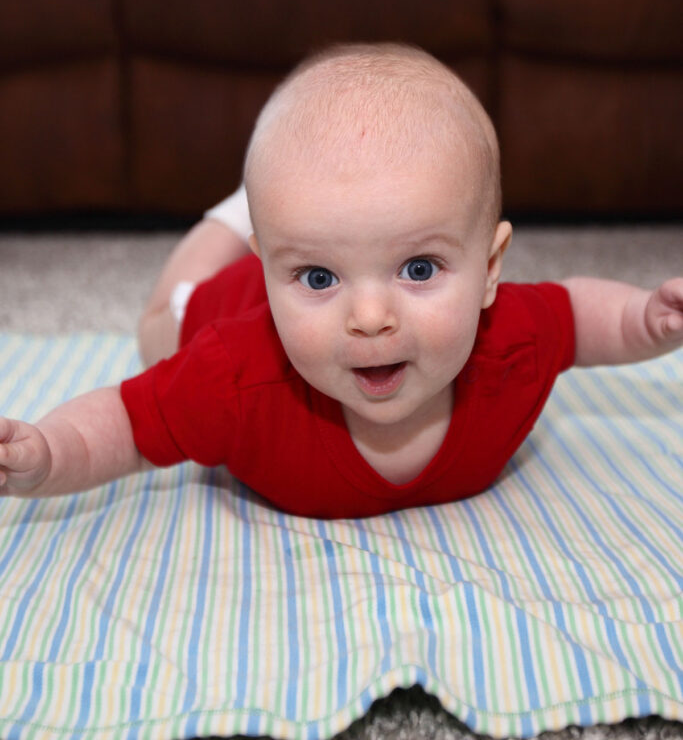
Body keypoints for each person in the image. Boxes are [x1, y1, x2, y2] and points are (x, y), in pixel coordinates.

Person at [1, 43, 681, 518]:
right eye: (319, 275)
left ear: (490, 271)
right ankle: (230, 219)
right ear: (274, 272)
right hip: (220, 308)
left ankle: (279, 232)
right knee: (156, 329)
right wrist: (51, 452)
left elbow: (579, 316)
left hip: (276, 269)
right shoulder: (232, 378)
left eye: (418, 269)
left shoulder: (512, 341)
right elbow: (125, 422)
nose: (370, 316)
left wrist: (644, 319)